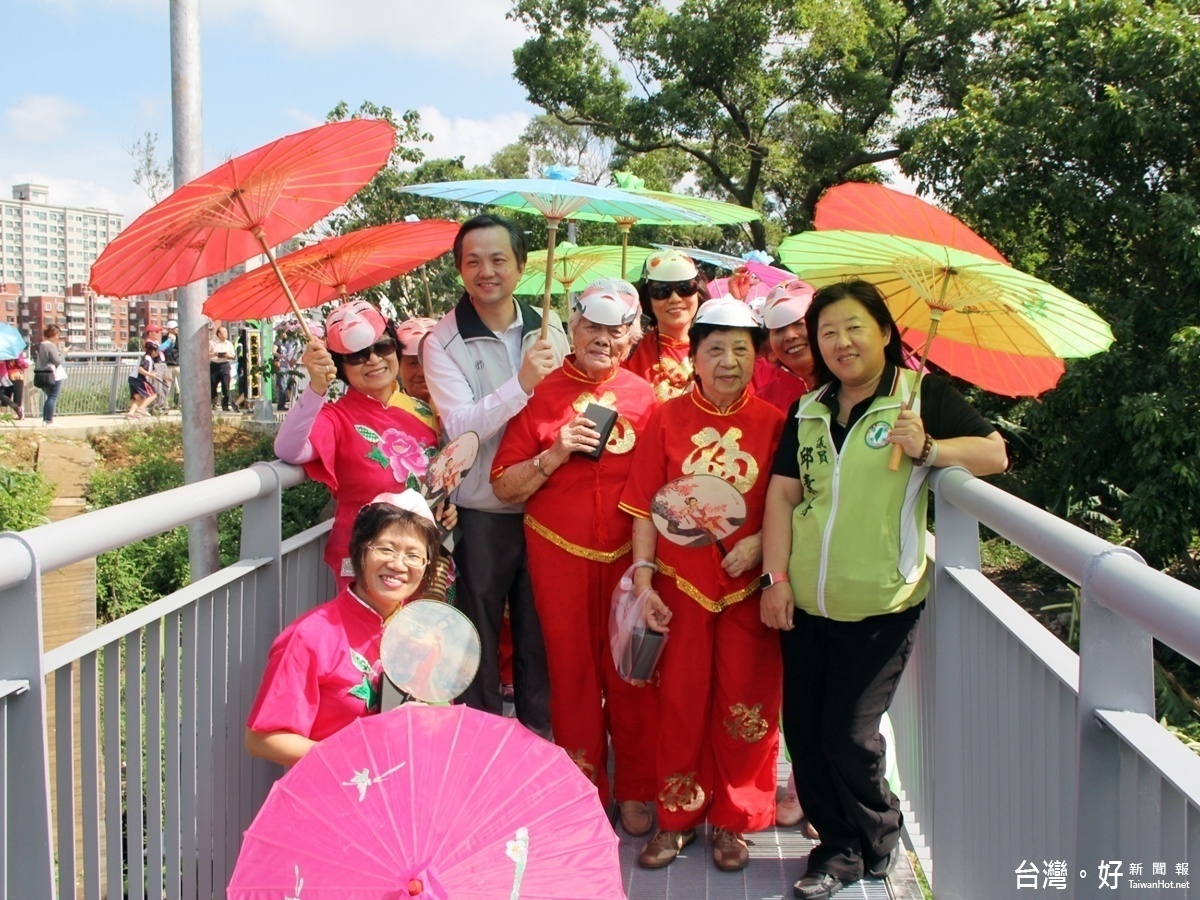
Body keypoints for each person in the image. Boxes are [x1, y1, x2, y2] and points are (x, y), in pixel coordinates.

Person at [760, 280, 1007, 900]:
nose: (841, 342)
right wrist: (776, 578)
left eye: (854, 328)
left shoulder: (920, 397)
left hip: (880, 601)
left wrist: (930, 447)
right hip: (807, 600)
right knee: (806, 731)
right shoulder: (811, 406)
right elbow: (785, 495)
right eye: (827, 332)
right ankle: (838, 848)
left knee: (849, 732)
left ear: (886, 333)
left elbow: (994, 454)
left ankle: (879, 832)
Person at [618, 296, 785, 873]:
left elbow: (790, 505)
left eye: (742, 349)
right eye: (715, 349)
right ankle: (678, 817)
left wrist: (760, 544)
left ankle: (735, 822)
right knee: (681, 705)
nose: (729, 362)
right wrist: (645, 582)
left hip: (746, 591)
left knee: (748, 704)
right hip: (680, 590)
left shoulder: (774, 424)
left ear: (758, 358)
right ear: (694, 355)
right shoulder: (663, 419)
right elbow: (642, 506)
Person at [491, 278, 659, 834]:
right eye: (592, 325)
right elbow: (502, 487)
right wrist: (555, 451)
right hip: (557, 555)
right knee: (572, 675)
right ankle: (586, 789)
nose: (603, 338)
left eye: (617, 329)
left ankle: (636, 788)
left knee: (632, 672)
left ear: (634, 336)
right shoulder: (538, 392)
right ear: (572, 324)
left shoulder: (645, 398)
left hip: (628, 557)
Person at [421, 213, 569, 735]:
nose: (486, 271)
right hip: (483, 510)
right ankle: (480, 746)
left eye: (498, 259)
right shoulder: (441, 342)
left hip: (550, 506)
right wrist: (522, 382)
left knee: (542, 636)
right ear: (460, 270)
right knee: (478, 636)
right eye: (473, 261)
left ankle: (544, 744)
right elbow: (460, 426)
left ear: (523, 265)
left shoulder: (550, 328)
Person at [245, 490, 441, 766]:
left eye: (413, 555)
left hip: (400, 791)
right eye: (386, 549)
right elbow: (262, 739)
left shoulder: (421, 633)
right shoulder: (311, 636)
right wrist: (351, 755)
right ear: (359, 551)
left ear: (426, 565)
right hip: (332, 795)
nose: (398, 564)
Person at [274, 300, 452, 587]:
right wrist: (316, 386)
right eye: (357, 356)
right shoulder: (336, 416)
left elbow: (441, 479)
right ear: (341, 366)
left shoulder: (425, 410)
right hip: (365, 561)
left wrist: (446, 504)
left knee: (420, 633)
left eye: (382, 347)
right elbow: (288, 449)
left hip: (422, 558)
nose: (373, 359)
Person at [623, 249, 709, 403]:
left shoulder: (717, 348)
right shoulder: (628, 350)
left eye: (685, 289)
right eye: (662, 291)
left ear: (698, 292)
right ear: (648, 299)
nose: (675, 299)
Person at [757, 280, 817, 413]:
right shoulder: (762, 405)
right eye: (778, 330)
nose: (790, 336)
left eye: (799, 324)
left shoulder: (854, 384)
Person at [33, 324, 66, 425]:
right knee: (52, 397)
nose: (58, 337)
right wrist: (64, 352)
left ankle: (45, 420)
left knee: (49, 397)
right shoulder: (50, 346)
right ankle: (49, 421)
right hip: (52, 375)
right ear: (53, 334)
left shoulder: (41, 345)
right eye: (57, 334)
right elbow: (57, 361)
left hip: (41, 374)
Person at [126, 339, 159, 420]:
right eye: (157, 351)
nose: (158, 353)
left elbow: (153, 371)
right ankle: (142, 408)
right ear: (153, 351)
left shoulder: (148, 359)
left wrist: (165, 378)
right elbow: (140, 369)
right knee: (153, 394)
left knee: (139, 398)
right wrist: (150, 375)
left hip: (132, 378)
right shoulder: (147, 358)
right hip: (139, 379)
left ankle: (131, 413)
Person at [209, 325, 235, 412]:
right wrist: (215, 354)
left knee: (226, 385)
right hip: (214, 365)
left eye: (226, 332)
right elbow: (206, 355)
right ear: (219, 334)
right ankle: (213, 403)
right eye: (224, 332)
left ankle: (225, 405)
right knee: (213, 385)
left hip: (225, 365)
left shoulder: (229, 343)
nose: (226, 334)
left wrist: (227, 355)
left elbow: (233, 356)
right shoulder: (212, 343)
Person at [160, 320, 181, 408]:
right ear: (170, 329)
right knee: (166, 386)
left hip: (178, 364)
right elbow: (165, 350)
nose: (177, 329)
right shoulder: (165, 338)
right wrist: (170, 340)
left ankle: (181, 404)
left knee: (181, 386)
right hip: (168, 365)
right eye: (175, 328)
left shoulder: (180, 337)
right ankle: (164, 404)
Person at [0, 352, 27, 419]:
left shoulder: (4, 352)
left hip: (7, 374)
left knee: (5, 394)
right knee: (17, 394)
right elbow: (20, 362)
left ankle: (4, 412)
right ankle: (17, 410)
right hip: (15, 374)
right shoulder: (14, 352)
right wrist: (26, 364)